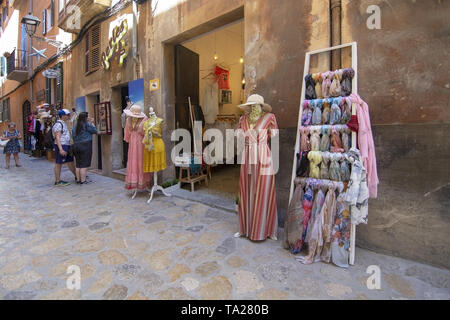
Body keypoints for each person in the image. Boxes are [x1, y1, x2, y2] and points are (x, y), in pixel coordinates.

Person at [53, 109, 76, 186]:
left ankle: (77, 176)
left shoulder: (63, 123)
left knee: (70, 161)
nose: (69, 116)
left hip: (66, 145)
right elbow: (57, 137)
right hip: (61, 145)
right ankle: (58, 180)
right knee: (59, 163)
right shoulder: (59, 124)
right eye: (67, 115)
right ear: (62, 116)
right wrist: (61, 149)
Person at [72, 112, 97, 184]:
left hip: (76, 145)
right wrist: (92, 123)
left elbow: (73, 136)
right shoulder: (87, 125)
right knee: (84, 164)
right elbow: (95, 131)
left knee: (78, 164)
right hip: (85, 145)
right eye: (88, 116)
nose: (89, 117)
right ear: (85, 118)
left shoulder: (75, 126)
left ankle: (78, 180)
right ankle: (83, 180)